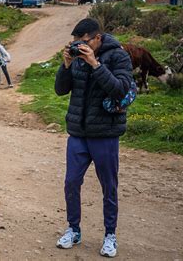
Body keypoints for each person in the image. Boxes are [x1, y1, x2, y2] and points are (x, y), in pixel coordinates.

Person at [54, 18, 133, 258]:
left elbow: (120, 89)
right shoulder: (76, 57)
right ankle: (73, 229)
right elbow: (60, 90)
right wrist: (66, 65)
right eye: (75, 42)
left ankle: (110, 235)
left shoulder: (119, 56)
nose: (79, 45)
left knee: (108, 186)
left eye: (84, 41)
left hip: (105, 133)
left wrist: (95, 64)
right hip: (78, 132)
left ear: (97, 38)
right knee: (71, 182)